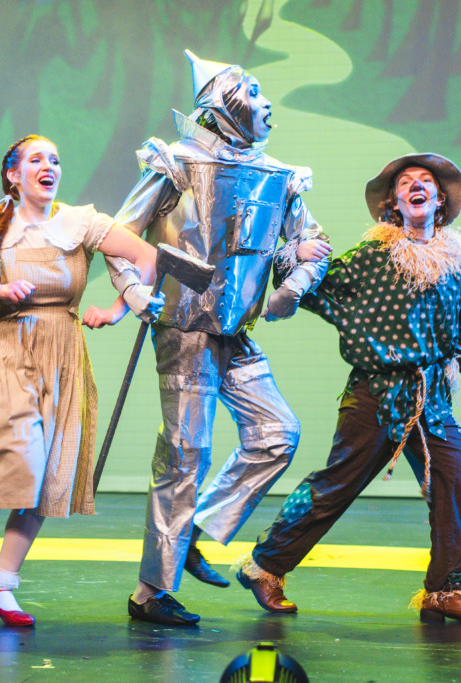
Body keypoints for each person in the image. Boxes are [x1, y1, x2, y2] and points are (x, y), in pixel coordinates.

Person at [104, 50, 332, 626]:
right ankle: (151, 590)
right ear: (223, 104)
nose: (266, 102)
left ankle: (200, 531)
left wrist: (293, 283)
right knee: (184, 454)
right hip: (184, 331)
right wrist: (134, 292)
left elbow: (313, 244)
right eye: (252, 92)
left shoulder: (279, 175)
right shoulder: (175, 164)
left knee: (277, 433)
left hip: (235, 333)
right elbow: (118, 237)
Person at [232, 153, 461, 624]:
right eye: (405, 182)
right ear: (393, 202)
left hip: (431, 397)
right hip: (374, 395)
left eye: (425, 182)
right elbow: (314, 287)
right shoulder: (371, 257)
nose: (416, 186)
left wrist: (455, 361)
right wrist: (294, 256)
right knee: (336, 485)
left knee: (460, 482)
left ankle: (444, 590)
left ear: (439, 200)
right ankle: (266, 567)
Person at [0, 135, 162, 626]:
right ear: (13, 175)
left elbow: (148, 258)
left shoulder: (82, 223)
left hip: (63, 351)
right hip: (7, 348)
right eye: (36, 159)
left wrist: (120, 309)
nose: (49, 166)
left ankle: (1, 585)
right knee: (25, 461)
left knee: (49, 475)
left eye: (55, 159)